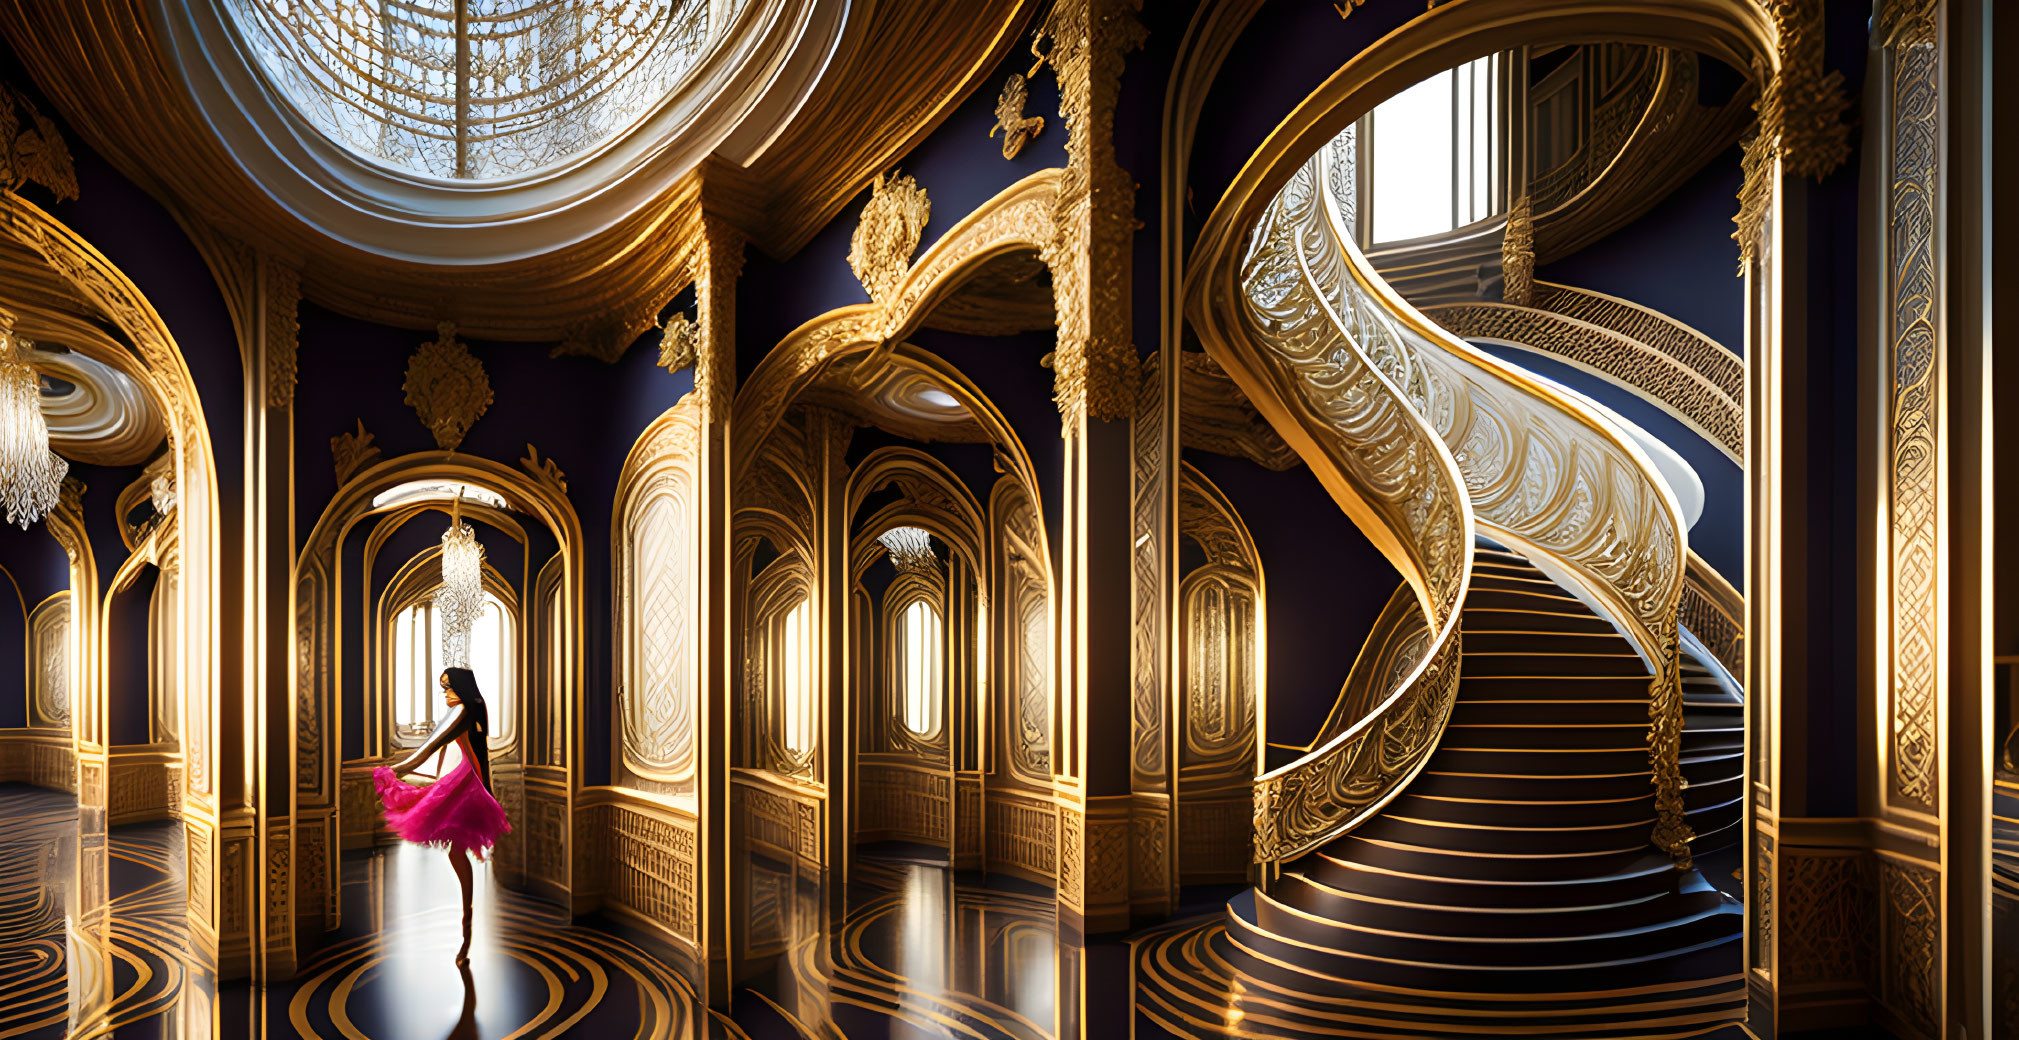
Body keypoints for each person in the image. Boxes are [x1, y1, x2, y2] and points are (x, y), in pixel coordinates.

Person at [373, 667, 512, 964]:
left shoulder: (462, 711)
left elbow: (429, 749)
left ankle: (467, 923)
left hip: (467, 789)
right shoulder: (471, 708)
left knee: (454, 850)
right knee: (455, 853)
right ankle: (467, 925)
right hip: (467, 783)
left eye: (449, 687)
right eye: (443, 688)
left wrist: (396, 771)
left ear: (460, 689)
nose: (445, 693)